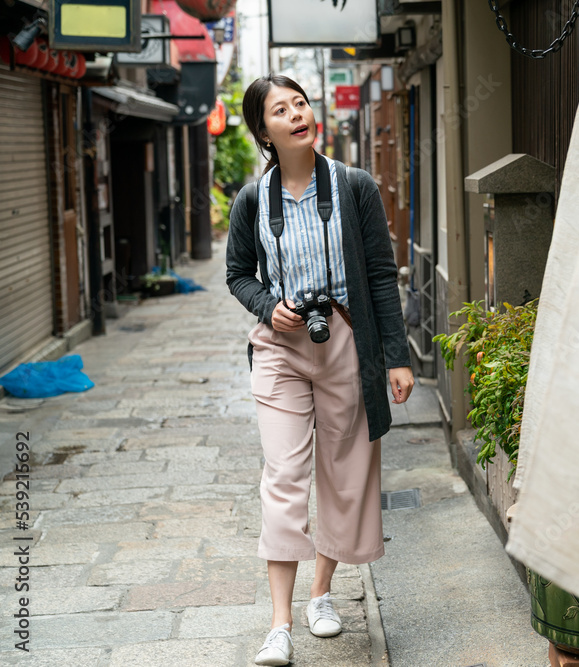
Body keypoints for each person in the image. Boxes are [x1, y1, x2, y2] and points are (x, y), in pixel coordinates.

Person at [225, 73, 414, 666]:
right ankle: (279, 623)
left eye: (301, 103)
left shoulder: (355, 186)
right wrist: (267, 306)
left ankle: (322, 594)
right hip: (280, 347)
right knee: (283, 475)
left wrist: (397, 356)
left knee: (343, 470)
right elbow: (238, 274)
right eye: (281, 110)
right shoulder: (252, 200)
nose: (297, 114)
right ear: (264, 131)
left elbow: (381, 275)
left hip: (345, 340)